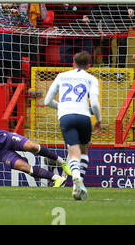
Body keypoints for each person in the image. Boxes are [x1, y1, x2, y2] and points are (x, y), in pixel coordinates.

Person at [44, 51, 102, 200]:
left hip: (66, 117)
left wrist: (63, 108)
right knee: (83, 152)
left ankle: (76, 180)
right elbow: (94, 104)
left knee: (73, 153)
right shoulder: (91, 79)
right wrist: (99, 120)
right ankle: (79, 183)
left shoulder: (61, 76)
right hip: (84, 116)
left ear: (73, 63)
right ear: (89, 65)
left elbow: (47, 101)